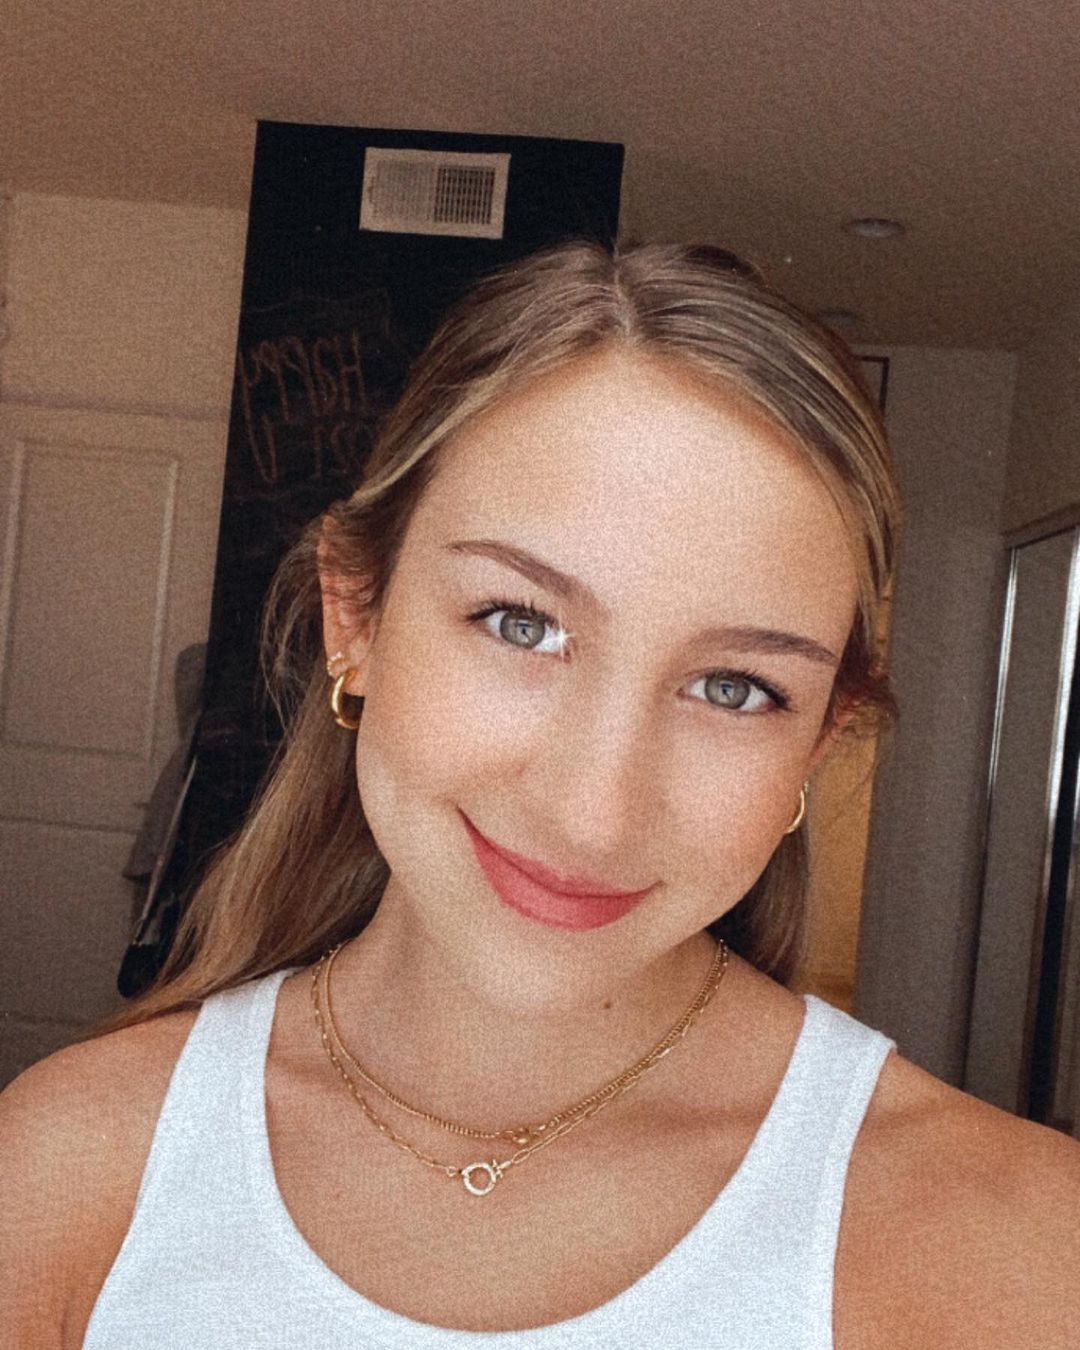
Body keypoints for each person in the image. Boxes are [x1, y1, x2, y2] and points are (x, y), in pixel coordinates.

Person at [2, 240, 1078, 1348]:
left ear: (817, 745)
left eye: (734, 688)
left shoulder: (1019, 1249)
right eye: (521, 624)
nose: (592, 814)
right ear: (353, 619)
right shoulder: (65, 1168)